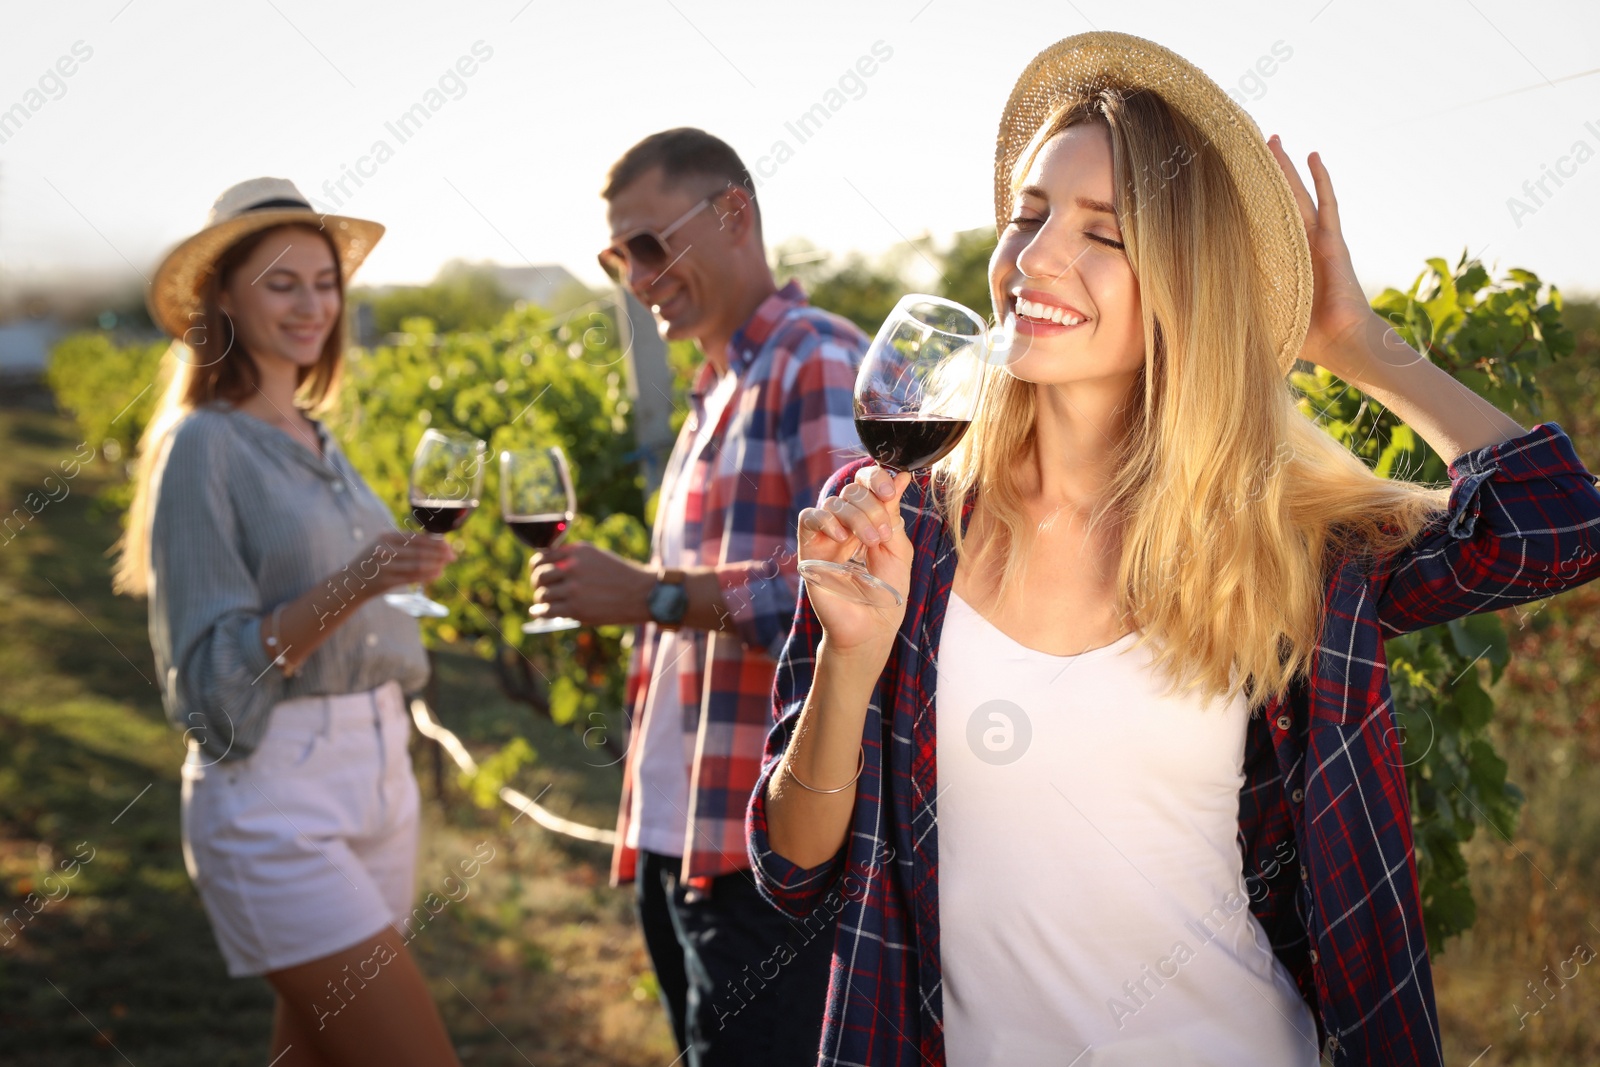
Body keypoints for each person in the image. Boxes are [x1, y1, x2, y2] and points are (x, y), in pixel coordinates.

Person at [747, 32, 1600, 1067]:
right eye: (1027, 215)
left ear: (1183, 280)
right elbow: (791, 866)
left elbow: (1555, 527)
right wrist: (849, 659)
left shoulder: (1272, 542)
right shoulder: (903, 527)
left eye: (1103, 233)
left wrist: (1356, 341)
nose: (1036, 256)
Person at [526, 128, 867, 1064]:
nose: (635, 276)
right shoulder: (716, 389)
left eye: (646, 244)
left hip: (766, 855)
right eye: (615, 255)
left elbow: (851, 580)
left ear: (734, 215)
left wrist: (651, 595)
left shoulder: (817, 360)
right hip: (680, 837)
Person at [117, 178, 462, 1066]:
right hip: (275, 796)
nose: (313, 303)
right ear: (221, 298)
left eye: (324, 280)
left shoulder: (317, 436)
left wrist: (390, 579)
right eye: (281, 283)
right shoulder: (204, 444)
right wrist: (357, 581)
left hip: (380, 776)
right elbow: (210, 689)